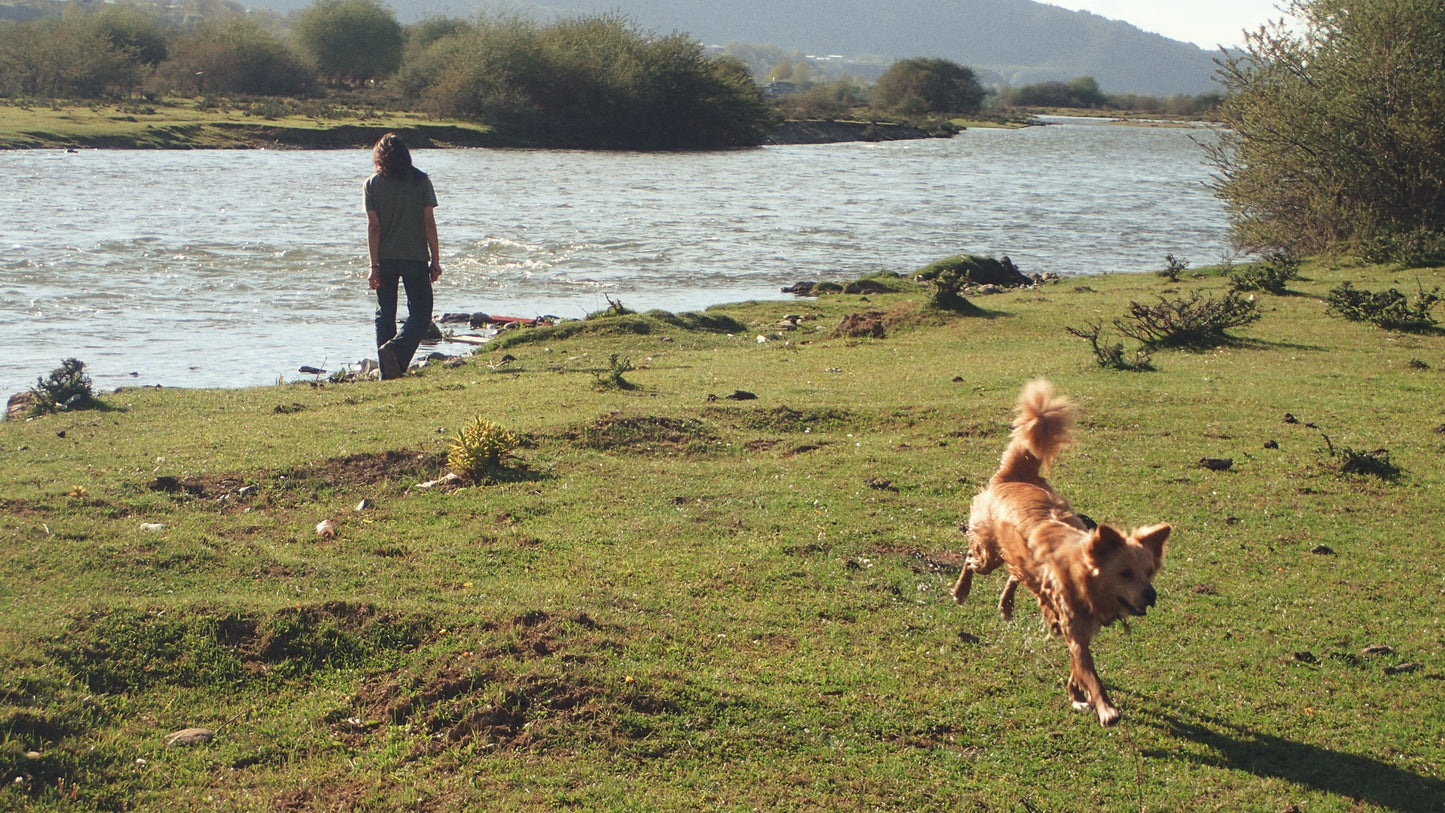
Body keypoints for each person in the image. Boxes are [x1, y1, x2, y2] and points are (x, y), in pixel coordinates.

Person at [364, 133, 442, 380]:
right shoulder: (421, 181)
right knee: (421, 313)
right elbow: (429, 222)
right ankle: (395, 353)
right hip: (415, 256)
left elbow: (373, 227)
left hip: (385, 258)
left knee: (384, 312)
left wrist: (373, 265)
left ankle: (389, 366)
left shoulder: (372, 184)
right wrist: (436, 260)